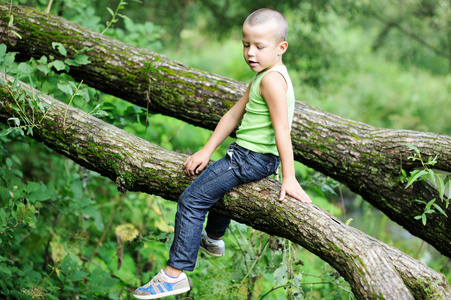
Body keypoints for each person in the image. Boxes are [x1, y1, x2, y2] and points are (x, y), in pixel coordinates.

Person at [133, 8, 312, 299]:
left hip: (250, 159)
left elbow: (282, 130)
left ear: (281, 48)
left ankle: (174, 275)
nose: (250, 53)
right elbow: (233, 115)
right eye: (246, 44)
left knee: (191, 199)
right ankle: (214, 239)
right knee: (215, 182)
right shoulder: (264, 76)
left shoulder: (271, 81)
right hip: (250, 157)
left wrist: (288, 178)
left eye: (259, 46)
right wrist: (206, 149)